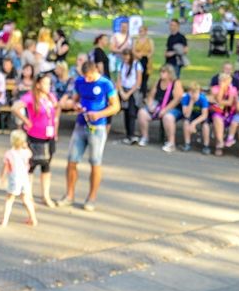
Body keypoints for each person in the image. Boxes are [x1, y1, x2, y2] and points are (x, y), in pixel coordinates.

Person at [57, 59, 119, 211]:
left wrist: (99, 114)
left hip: (97, 127)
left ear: (95, 71)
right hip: (81, 124)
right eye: (85, 77)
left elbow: (115, 106)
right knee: (72, 160)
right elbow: (74, 100)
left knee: (95, 162)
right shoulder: (80, 82)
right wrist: (75, 105)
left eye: (90, 77)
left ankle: (91, 198)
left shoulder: (106, 84)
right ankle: (69, 194)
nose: (87, 80)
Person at [11, 75, 59, 207]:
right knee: (31, 166)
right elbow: (15, 107)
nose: (48, 86)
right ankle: (28, 194)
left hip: (49, 136)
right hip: (35, 135)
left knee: (46, 166)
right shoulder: (31, 96)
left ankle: (46, 195)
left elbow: (56, 110)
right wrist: (26, 120)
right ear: (38, 84)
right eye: (45, 83)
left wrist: (56, 130)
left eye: (49, 84)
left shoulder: (50, 97)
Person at [135, 64, 183, 147]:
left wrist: (165, 109)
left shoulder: (176, 83)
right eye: (160, 72)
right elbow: (151, 96)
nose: (161, 74)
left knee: (168, 117)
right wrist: (150, 105)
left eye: (163, 72)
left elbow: (177, 99)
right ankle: (144, 137)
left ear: (169, 73)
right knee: (142, 112)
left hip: (172, 108)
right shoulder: (158, 82)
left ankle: (171, 142)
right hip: (158, 106)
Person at [0, 131, 37, 227]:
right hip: (25, 178)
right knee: (26, 199)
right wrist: (25, 146)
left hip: (14, 179)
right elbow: (30, 154)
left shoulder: (9, 154)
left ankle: (5, 220)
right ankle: (33, 218)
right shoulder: (26, 152)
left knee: (9, 199)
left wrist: (2, 177)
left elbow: (6, 167)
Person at [162, 82, 210, 153]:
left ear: (199, 92)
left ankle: (206, 145)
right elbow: (186, 114)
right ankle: (187, 143)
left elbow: (204, 115)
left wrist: (194, 123)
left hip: (200, 116)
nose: (194, 95)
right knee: (186, 122)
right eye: (192, 93)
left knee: (205, 125)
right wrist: (191, 102)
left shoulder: (203, 99)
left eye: (195, 93)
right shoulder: (186, 98)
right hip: (190, 114)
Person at [116, 50, 143, 143]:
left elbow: (138, 81)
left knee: (132, 113)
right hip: (124, 89)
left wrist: (129, 93)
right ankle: (127, 134)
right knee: (126, 112)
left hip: (133, 91)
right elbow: (119, 80)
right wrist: (121, 91)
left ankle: (131, 134)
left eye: (127, 57)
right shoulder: (121, 65)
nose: (126, 59)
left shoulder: (136, 65)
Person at [209, 72, 238, 156]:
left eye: (225, 81)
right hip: (217, 112)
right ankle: (220, 144)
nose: (222, 83)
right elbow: (218, 99)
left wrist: (220, 101)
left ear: (229, 82)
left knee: (221, 120)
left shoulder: (233, 89)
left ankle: (220, 144)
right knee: (217, 119)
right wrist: (221, 89)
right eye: (221, 81)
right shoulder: (215, 88)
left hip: (229, 113)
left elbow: (229, 102)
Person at [132, 24, 154, 95]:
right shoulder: (136, 41)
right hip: (138, 60)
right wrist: (137, 55)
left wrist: (147, 56)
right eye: (139, 31)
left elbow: (152, 51)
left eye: (142, 31)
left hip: (146, 62)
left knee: (145, 79)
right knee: (137, 77)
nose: (140, 33)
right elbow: (133, 50)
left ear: (145, 31)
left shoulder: (149, 41)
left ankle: (143, 93)